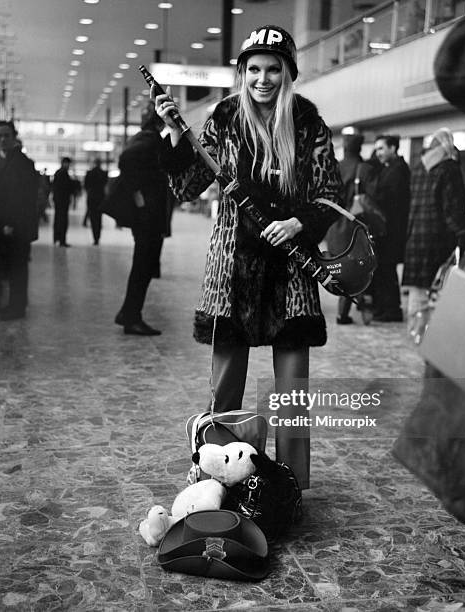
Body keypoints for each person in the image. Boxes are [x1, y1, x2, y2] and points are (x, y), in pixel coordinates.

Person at [155, 25, 341, 488]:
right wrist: (174, 136)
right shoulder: (224, 117)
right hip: (232, 267)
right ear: (242, 72)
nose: (262, 79)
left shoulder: (307, 121)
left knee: (292, 395)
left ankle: (291, 489)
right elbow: (187, 186)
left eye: (273, 69)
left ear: (288, 72)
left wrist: (298, 222)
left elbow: (330, 192)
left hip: (291, 267)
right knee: (226, 392)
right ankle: (224, 483)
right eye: (253, 69)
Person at [402, 128, 465, 335]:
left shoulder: (417, 169)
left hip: (415, 237)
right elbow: (454, 207)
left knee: (418, 291)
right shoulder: (449, 168)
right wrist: (463, 234)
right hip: (440, 239)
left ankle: (416, 332)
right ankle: (435, 338)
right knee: (440, 291)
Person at [113, 101, 172, 336]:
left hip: (147, 217)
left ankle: (129, 313)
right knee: (142, 267)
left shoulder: (143, 137)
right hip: (147, 217)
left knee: (143, 266)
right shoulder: (149, 139)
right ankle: (131, 316)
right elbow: (127, 161)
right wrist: (140, 199)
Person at [325, 133, 375, 324]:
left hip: (333, 226)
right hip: (354, 225)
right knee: (359, 266)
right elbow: (371, 200)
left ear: (345, 148)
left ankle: (342, 312)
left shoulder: (333, 167)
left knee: (340, 269)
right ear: (360, 148)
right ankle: (361, 303)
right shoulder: (364, 169)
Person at [0, 120, 39, 320]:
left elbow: (21, 198)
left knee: (17, 266)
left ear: (14, 137)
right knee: (15, 266)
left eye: (6, 136)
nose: (2, 139)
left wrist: (10, 223)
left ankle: (17, 307)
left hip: (17, 225)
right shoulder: (9, 160)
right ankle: (16, 304)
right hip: (15, 224)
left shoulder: (20, 163)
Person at [371, 134, 411, 322]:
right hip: (386, 230)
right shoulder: (389, 169)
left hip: (391, 231)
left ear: (393, 148)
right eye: (377, 148)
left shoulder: (399, 171)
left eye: (381, 148)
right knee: (385, 270)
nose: (378, 152)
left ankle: (391, 309)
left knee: (387, 269)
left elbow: (393, 202)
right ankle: (386, 308)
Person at [52, 157, 77, 247]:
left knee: (58, 219)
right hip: (62, 200)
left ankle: (57, 238)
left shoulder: (59, 173)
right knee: (62, 220)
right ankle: (61, 239)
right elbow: (65, 187)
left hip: (59, 200)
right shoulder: (63, 173)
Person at [84, 158, 108, 245]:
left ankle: (95, 237)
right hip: (100, 198)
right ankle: (98, 236)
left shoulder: (89, 173)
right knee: (99, 218)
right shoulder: (104, 173)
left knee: (93, 218)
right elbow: (105, 185)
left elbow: (86, 186)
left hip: (92, 198)